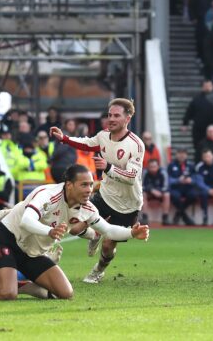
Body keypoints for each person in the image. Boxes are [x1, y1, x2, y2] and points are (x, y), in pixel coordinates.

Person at [0, 165, 149, 301]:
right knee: (8, 295)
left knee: (65, 293)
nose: (89, 190)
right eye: (84, 185)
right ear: (69, 184)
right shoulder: (47, 194)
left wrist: (131, 232)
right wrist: (50, 231)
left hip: (30, 252)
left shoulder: (88, 208)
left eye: (91, 185)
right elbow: (27, 220)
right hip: (5, 239)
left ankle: (22, 286)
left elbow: (107, 229)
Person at [50, 98, 145, 284]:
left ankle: (98, 270)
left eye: (116, 115)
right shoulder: (103, 136)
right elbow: (86, 143)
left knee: (109, 246)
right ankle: (95, 234)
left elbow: (132, 177)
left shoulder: (136, 144)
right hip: (105, 195)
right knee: (75, 227)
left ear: (127, 118)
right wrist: (65, 139)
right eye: (109, 115)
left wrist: (108, 167)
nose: (111, 119)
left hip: (127, 204)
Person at [142, 158, 170, 225]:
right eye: (150, 167)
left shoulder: (163, 172)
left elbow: (166, 186)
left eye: (154, 167)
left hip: (160, 193)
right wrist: (152, 190)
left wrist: (160, 191)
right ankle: (145, 217)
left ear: (158, 166)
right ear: (148, 167)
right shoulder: (145, 172)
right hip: (149, 193)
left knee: (167, 195)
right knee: (143, 194)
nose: (152, 169)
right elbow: (141, 186)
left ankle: (165, 218)